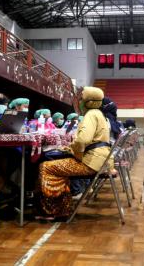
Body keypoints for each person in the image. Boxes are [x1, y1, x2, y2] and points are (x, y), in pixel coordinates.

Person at [37, 86, 114, 219]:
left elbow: (82, 140)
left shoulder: (90, 115)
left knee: (46, 167)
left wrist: (74, 152)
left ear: (88, 102)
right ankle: (63, 207)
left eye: (81, 99)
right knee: (56, 165)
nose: (79, 102)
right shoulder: (99, 113)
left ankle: (54, 211)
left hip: (91, 163)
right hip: (100, 161)